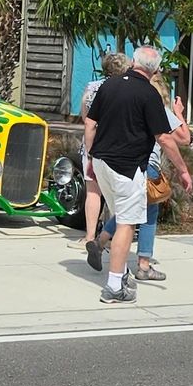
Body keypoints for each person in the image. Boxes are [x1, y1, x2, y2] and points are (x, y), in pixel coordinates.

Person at [87, 45, 193, 303]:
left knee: (119, 216)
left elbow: (91, 123)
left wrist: (90, 157)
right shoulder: (148, 94)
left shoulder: (108, 85)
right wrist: (183, 170)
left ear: (133, 62)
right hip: (127, 167)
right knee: (126, 223)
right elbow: (165, 139)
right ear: (155, 69)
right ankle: (114, 287)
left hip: (102, 162)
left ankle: (120, 272)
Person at [79, 51, 131, 270]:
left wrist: (89, 148)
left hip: (92, 143)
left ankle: (90, 235)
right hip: (114, 143)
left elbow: (85, 116)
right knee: (115, 195)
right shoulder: (124, 88)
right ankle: (111, 235)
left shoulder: (92, 87)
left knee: (93, 191)